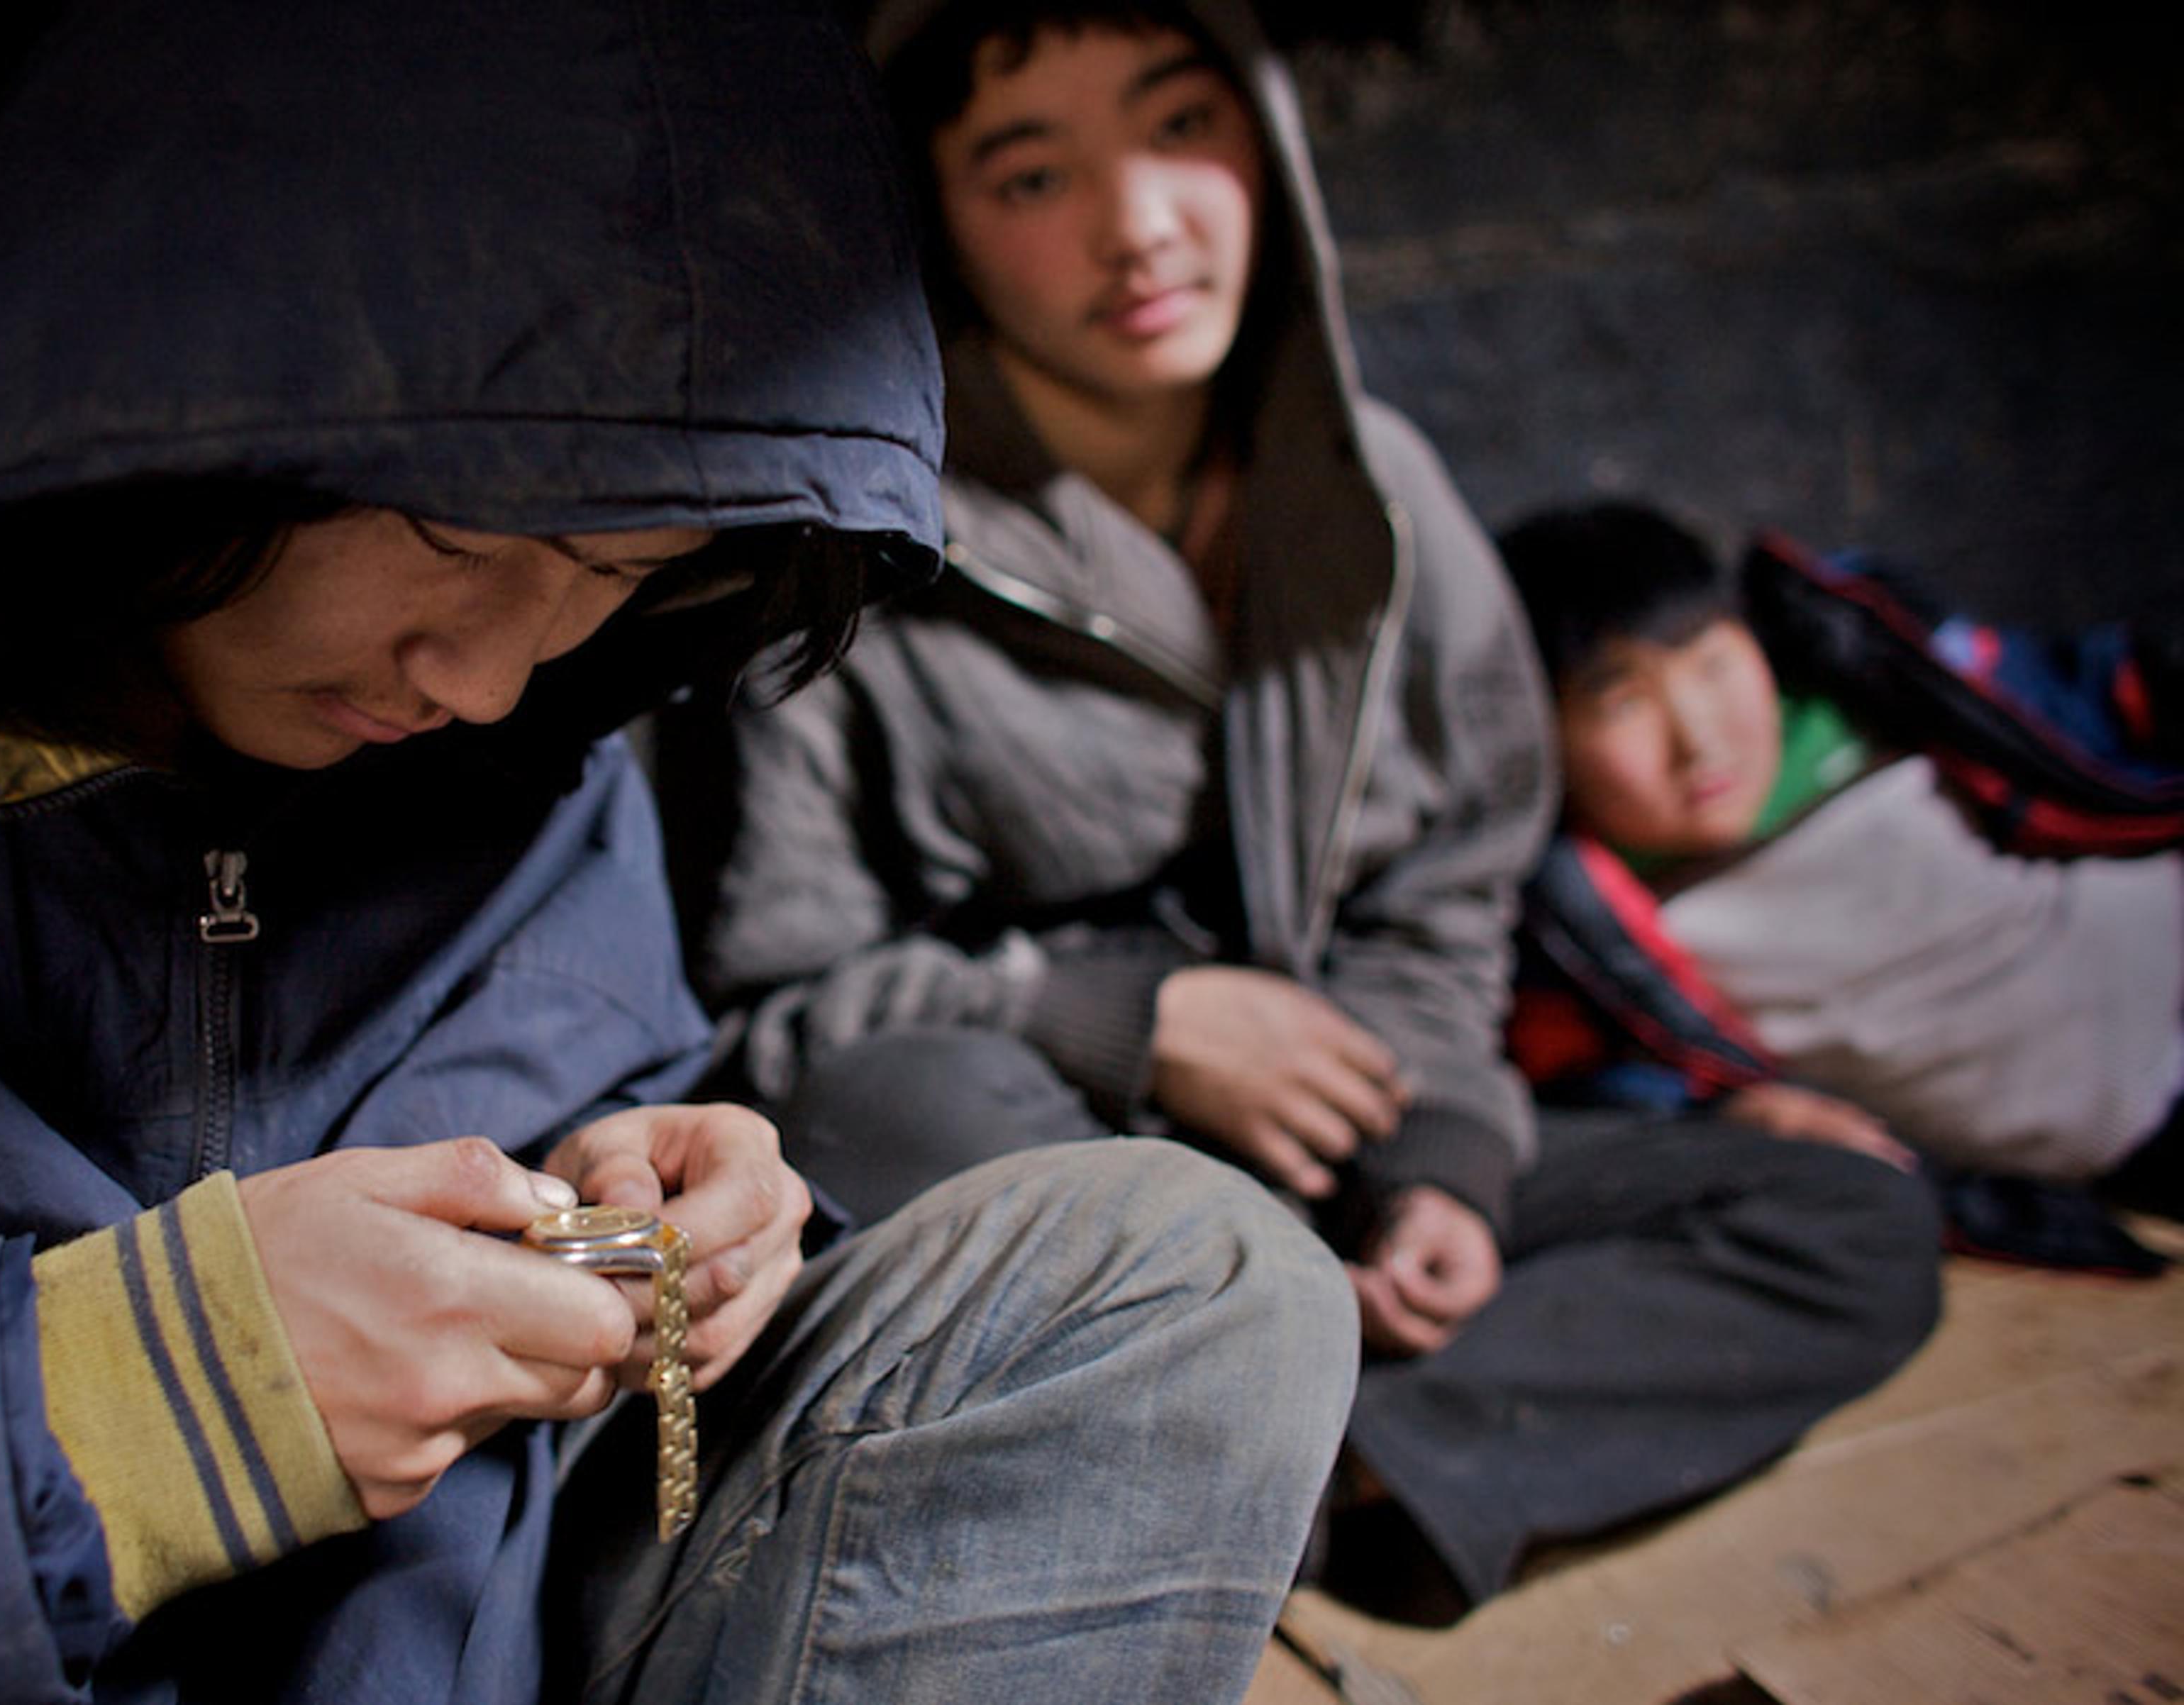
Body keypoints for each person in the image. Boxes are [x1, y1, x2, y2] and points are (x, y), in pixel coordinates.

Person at [0, 3, 1363, 1701]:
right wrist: (121, 1403)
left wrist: (661, 1177)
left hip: (471, 1623)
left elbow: (596, 1069)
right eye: (455, 534)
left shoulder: (535, 722)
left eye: (620, 575)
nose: (487, 675)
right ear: (162, 376)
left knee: (1190, 1276)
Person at [662, 0, 1943, 1618]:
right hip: (1076, 1167)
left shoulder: (1375, 494)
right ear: (937, 223)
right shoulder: (850, 560)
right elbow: (777, 1015)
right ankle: (1207, 1403)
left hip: (1324, 1153)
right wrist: (1133, 1018)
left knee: (1848, 1217)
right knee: (899, 1105)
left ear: (1262, 148)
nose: (1138, 226)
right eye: (1030, 174)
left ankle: (1321, 1461)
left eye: (1180, 128)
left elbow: (1447, 883)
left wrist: (1443, 1167)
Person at [1499, 499, 2184, 1262]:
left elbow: (2103, 696)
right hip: (2128, 1125)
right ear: (1539, 737)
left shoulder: (1880, 671)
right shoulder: (1588, 938)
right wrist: (1731, 1115)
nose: (1699, 738)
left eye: (1715, 663)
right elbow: (1588, 1097)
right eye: (1624, 702)